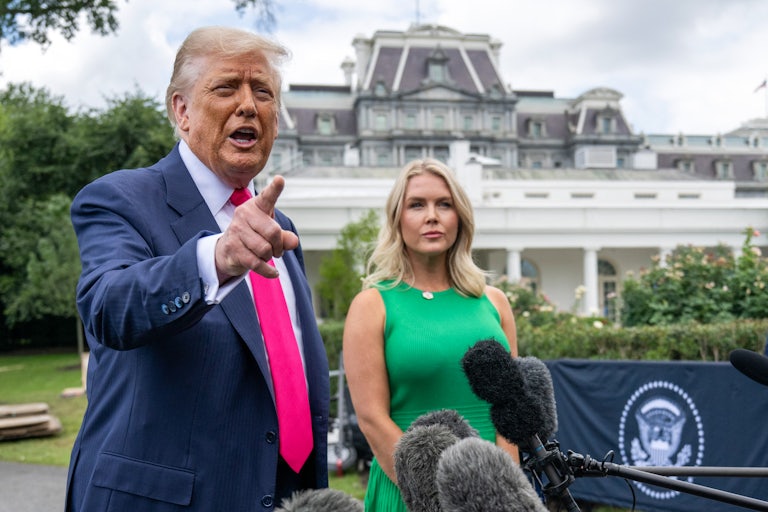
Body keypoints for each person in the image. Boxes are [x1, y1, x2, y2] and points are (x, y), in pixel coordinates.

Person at [65, 26, 329, 511]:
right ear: (181, 111)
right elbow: (108, 307)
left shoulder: (281, 228)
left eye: (263, 92)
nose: (248, 105)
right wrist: (217, 259)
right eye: (226, 88)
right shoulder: (119, 199)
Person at [343, 158, 519, 511]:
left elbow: (510, 409)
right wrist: (436, 497)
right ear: (398, 218)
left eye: (444, 204)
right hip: (408, 492)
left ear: (460, 217)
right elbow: (372, 420)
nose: (432, 216)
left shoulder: (494, 302)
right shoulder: (372, 305)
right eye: (417, 205)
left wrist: (506, 489)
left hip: (493, 494)